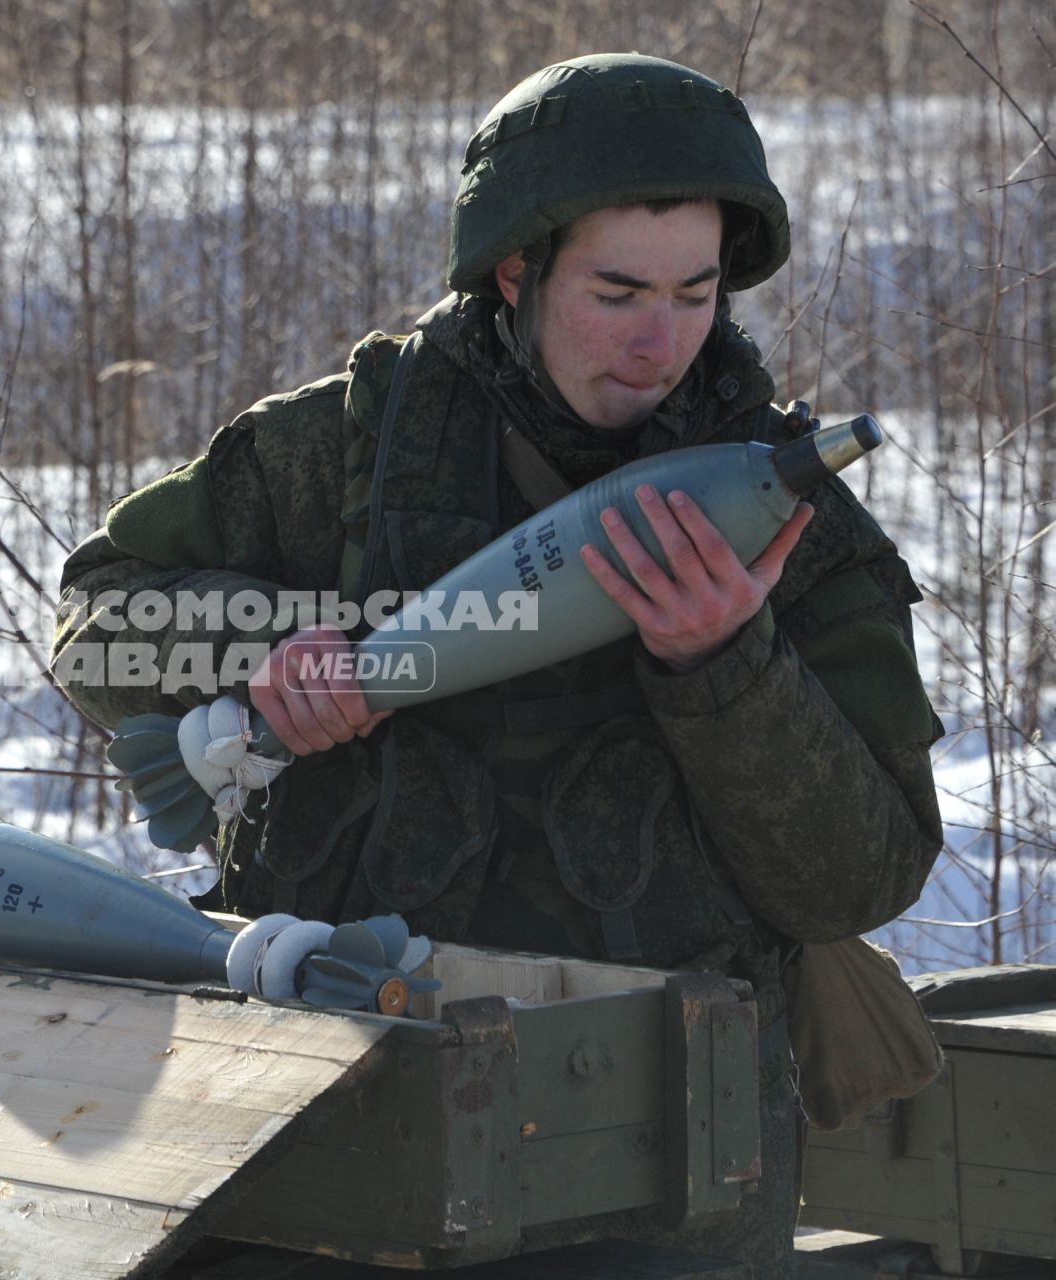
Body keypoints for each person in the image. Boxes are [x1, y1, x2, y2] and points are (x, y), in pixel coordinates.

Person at [50, 53, 943, 1277]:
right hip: (322, 1100)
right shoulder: (345, 451)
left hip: (647, 1153)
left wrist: (725, 665)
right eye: (617, 289)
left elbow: (863, 877)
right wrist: (272, 658)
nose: (658, 342)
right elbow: (98, 624)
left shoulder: (790, 529)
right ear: (514, 272)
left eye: (694, 294)